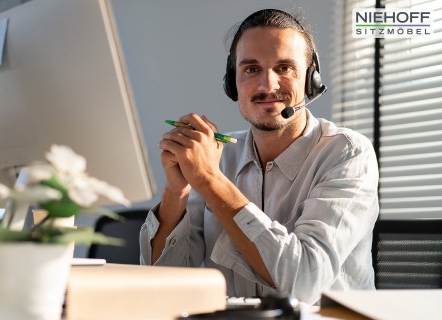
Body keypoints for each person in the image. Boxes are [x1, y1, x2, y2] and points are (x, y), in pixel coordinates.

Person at [139, 9, 379, 305]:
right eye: (251, 69)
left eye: (284, 68)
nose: (267, 85)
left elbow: (303, 281)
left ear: (311, 78)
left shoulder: (347, 153)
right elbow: (160, 284)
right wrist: (178, 190)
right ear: (232, 81)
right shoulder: (220, 155)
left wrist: (211, 181)